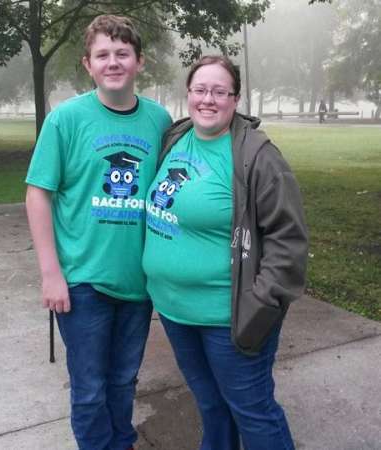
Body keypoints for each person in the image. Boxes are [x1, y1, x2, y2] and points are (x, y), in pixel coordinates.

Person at [143, 55, 308, 450]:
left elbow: (288, 241)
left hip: (229, 318)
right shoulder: (176, 138)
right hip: (174, 311)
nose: (208, 99)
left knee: (253, 413)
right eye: (200, 90)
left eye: (220, 91)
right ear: (189, 95)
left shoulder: (257, 156)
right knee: (211, 405)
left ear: (235, 99)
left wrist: (260, 306)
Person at [25, 15, 171, 450]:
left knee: (124, 381)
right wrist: (51, 273)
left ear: (139, 62)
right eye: (103, 54)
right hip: (82, 281)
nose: (113, 62)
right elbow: (38, 195)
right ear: (88, 64)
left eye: (122, 53)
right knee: (89, 389)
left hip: (138, 281)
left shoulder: (160, 121)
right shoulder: (66, 120)